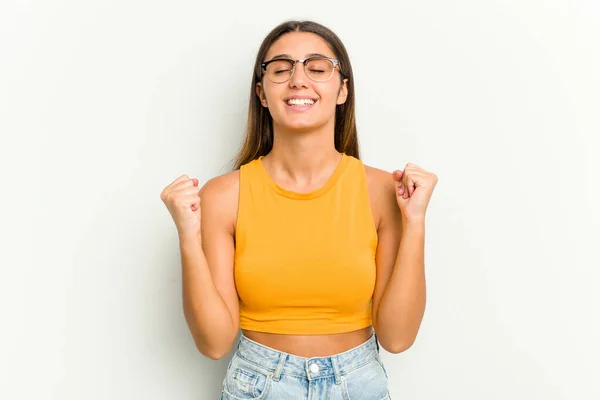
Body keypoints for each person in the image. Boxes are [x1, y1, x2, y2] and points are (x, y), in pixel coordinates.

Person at [160, 20, 438, 400]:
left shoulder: (383, 192)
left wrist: (416, 222)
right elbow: (214, 343)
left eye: (317, 67)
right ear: (261, 93)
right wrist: (188, 236)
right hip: (257, 385)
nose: (298, 80)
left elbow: (398, 337)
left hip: (360, 384)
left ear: (342, 89)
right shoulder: (223, 196)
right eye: (281, 68)